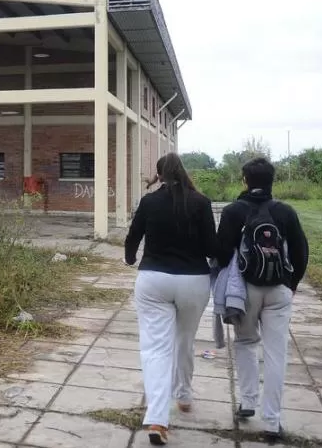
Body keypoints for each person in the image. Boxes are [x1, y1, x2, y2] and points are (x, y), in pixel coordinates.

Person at [125, 153, 218, 445]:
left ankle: (157, 420)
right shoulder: (201, 203)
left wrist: (130, 258)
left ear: (159, 175)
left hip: (154, 280)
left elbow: (133, 236)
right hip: (193, 281)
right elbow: (211, 246)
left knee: (155, 349)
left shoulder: (150, 201)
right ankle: (185, 396)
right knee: (184, 340)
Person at [215, 157, 310, 442]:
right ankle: (272, 421)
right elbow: (301, 252)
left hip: (244, 290)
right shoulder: (285, 211)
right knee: (276, 353)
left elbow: (220, 252)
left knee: (245, 343)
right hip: (279, 288)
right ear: (272, 181)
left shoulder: (233, 211)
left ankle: (247, 402)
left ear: (245, 180)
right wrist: (291, 285)